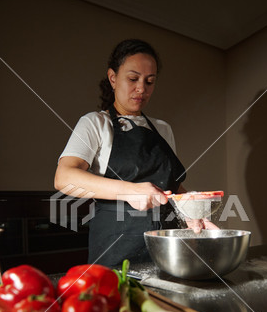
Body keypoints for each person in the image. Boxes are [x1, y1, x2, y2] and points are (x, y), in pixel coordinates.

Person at [55, 39, 216, 267]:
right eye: (133, 79)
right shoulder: (95, 123)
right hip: (115, 246)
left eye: (150, 82)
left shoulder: (162, 129)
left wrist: (190, 210)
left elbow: (171, 185)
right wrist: (129, 191)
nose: (142, 89)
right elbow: (64, 177)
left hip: (165, 244)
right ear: (113, 78)